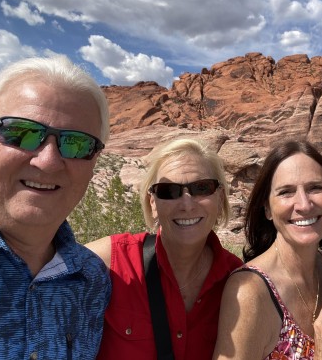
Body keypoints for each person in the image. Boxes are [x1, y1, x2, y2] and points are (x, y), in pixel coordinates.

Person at [0, 56, 111, 359]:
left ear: (94, 161)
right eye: (22, 132)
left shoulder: (92, 280)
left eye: (77, 143)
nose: (47, 161)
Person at [86, 138, 243, 360]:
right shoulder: (111, 261)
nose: (187, 204)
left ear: (220, 197)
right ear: (153, 203)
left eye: (201, 188)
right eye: (169, 191)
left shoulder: (240, 283)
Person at [213, 140, 322, 360]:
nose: (304, 204)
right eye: (286, 192)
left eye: (315, 188)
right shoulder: (250, 292)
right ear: (267, 209)